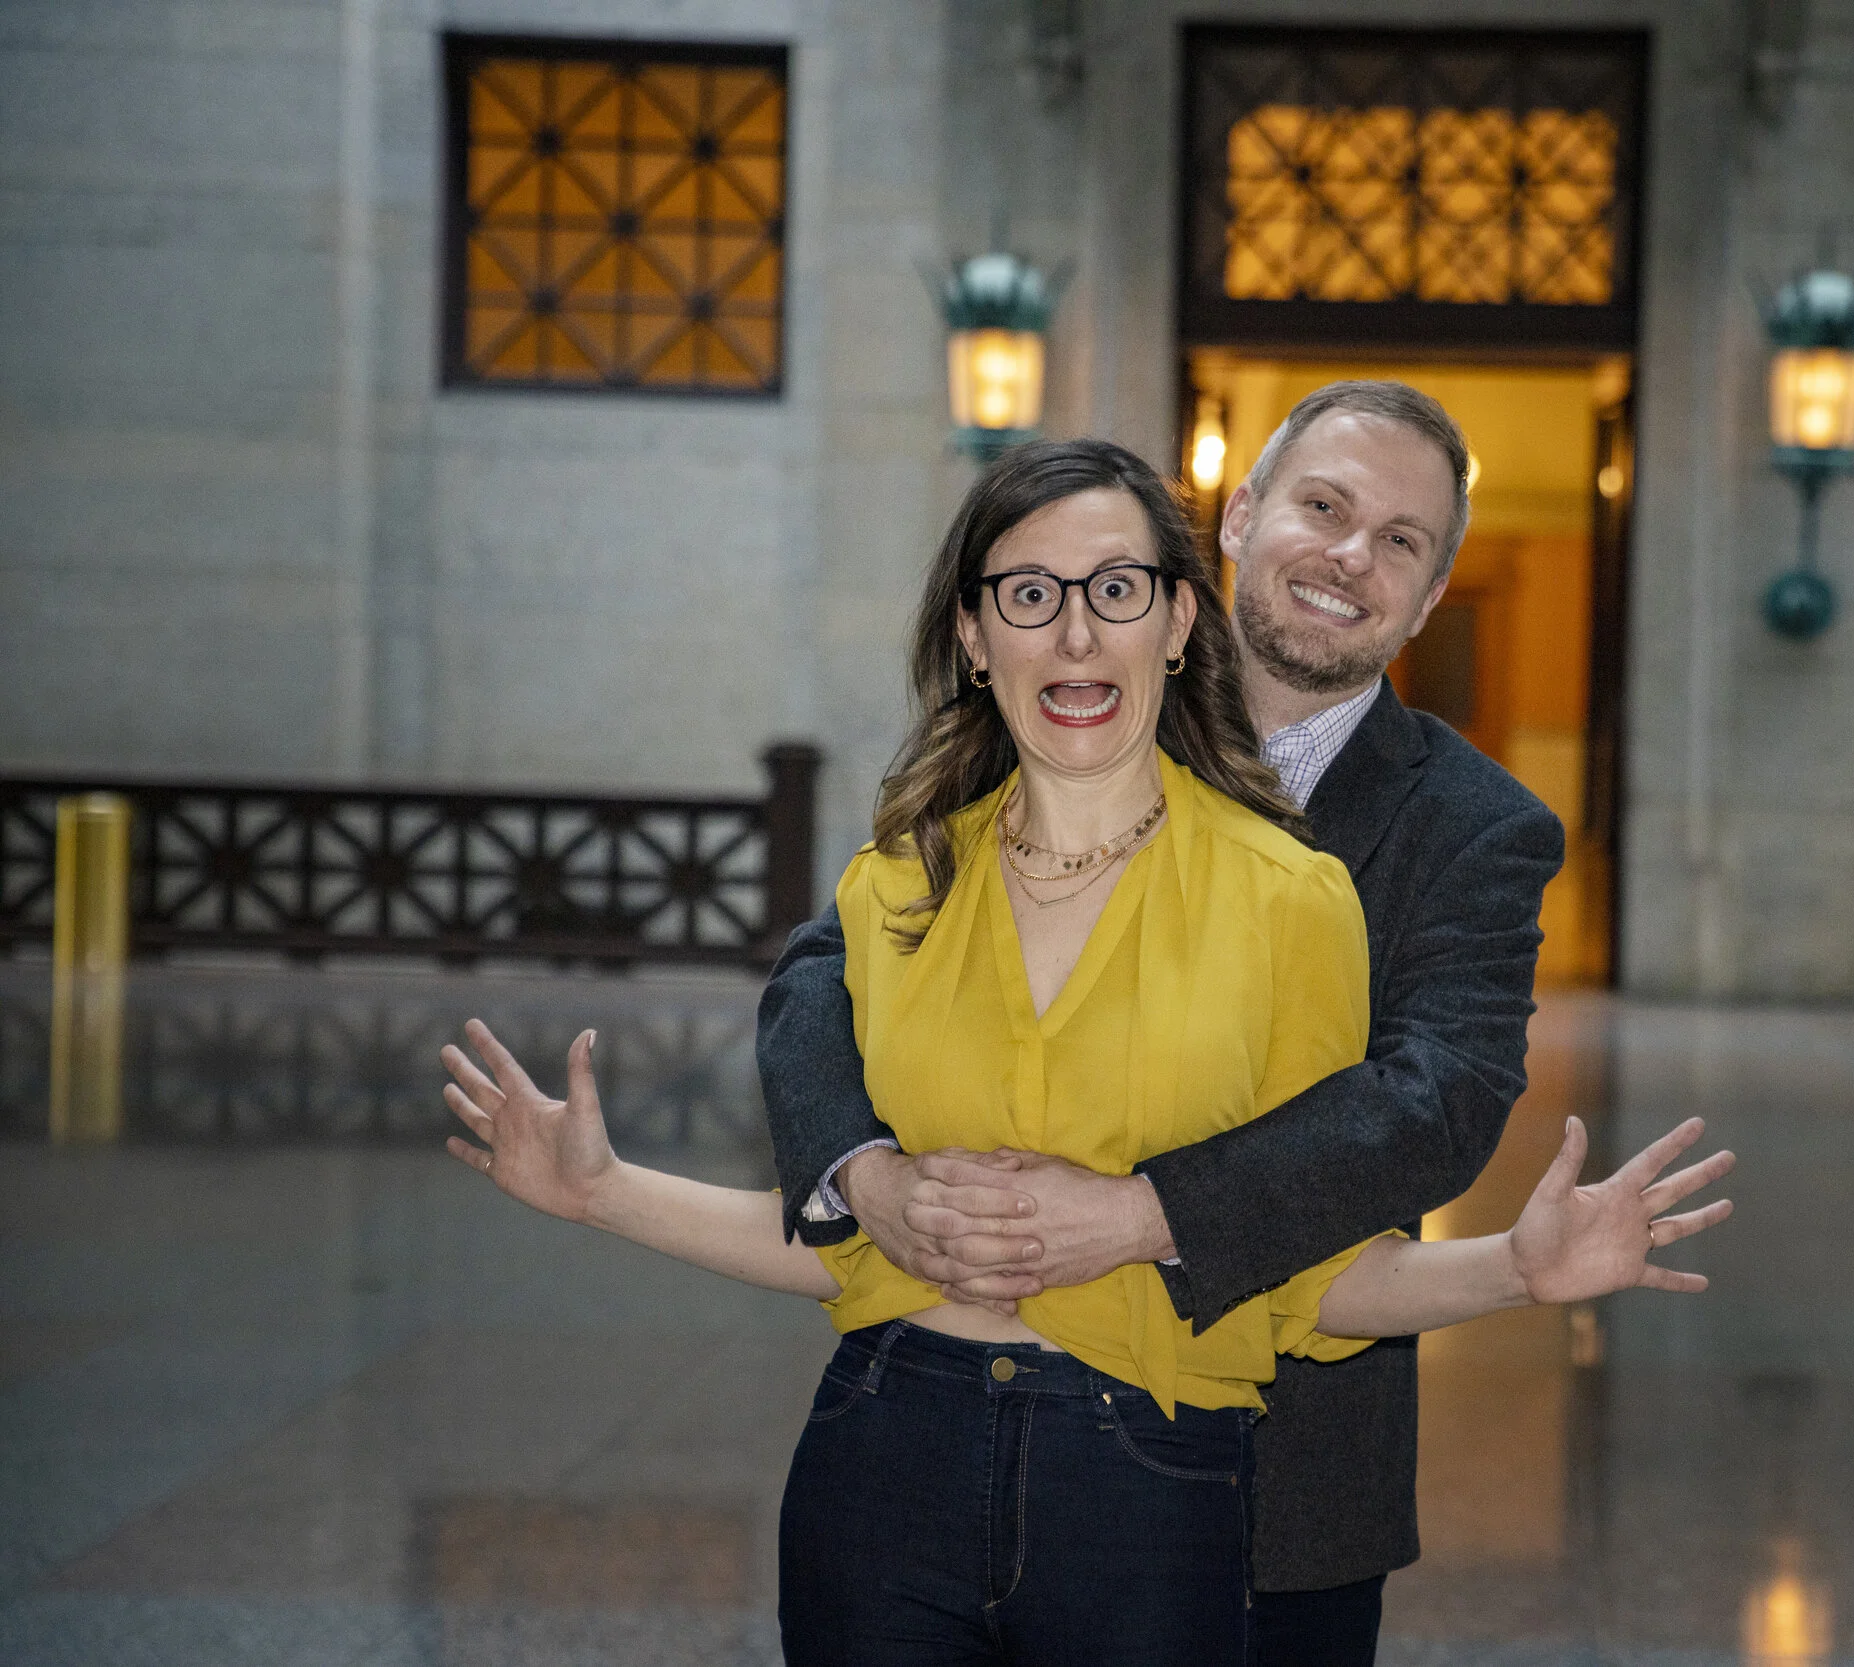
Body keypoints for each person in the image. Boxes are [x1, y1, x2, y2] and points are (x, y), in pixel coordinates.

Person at [440, 438, 1736, 1667]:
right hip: (878, 1458)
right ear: (973, 631)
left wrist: (1517, 1266)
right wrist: (601, 1190)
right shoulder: (900, 879)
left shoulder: (1293, 900)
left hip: (1150, 1489)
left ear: (1177, 622)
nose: (1073, 629)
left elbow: (1310, 1274)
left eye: (1114, 588)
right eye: (1029, 592)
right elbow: (853, 1241)